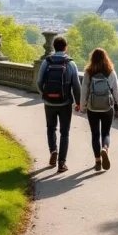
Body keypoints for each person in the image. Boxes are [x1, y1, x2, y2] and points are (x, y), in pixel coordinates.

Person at [37, 36, 81, 173]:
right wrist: (78, 102)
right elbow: (76, 86)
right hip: (65, 103)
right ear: (65, 47)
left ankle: (53, 151)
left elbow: (39, 82)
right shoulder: (71, 64)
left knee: (51, 129)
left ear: (54, 47)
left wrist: (44, 94)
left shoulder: (46, 62)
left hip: (49, 102)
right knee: (64, 132)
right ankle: (61, 163)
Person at [80, 48, 118, 172]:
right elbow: (116, 90)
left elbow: (84, 91)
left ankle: (97, 161)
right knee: (106, 133)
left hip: (92, 107)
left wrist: (83, 106)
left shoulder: (89, 72)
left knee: (95, 134)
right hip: (107, 107)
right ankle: (105, 148)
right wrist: (117, 103)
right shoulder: (110, 72)